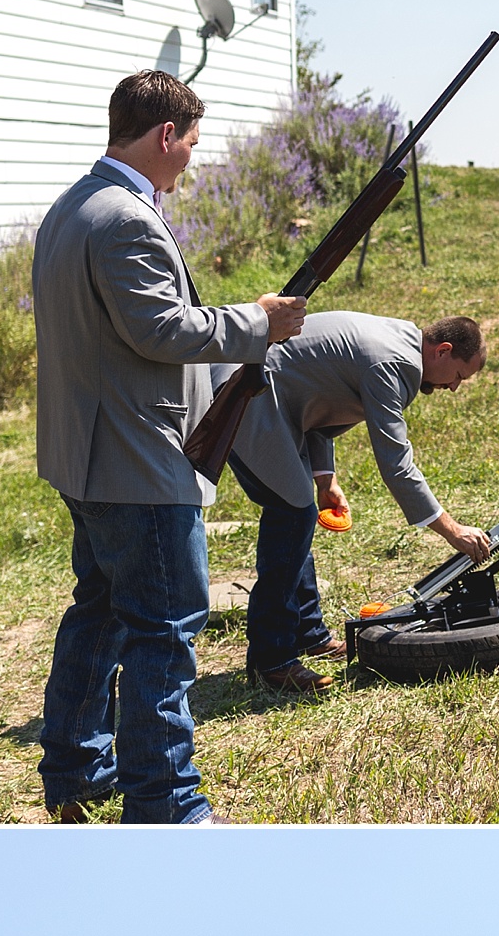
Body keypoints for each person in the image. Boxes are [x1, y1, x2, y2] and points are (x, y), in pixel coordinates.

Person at [33, 67, 308, 825]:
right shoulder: (125, 218)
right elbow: (160, 330)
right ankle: (165, 803)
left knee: (101, 613)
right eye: (190, 140)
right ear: (163, 135)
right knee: (166, 628)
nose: (191, 155)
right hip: (135, 460)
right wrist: (258, 322)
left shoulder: (70, 208)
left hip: (85, 456)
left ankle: (78, 769)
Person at [218, 312, 490, 699]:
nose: (454, 388)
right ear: (443, 351)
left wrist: (324, 478)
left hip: (272, 399)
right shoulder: (393, 363)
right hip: (247, 398)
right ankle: (272, 658)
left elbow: (316, 392)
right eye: (460, 376)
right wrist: (452, 530)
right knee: (292, 513)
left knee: (296, 514)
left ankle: (308, 635)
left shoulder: (400, 341)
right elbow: (397, 466)